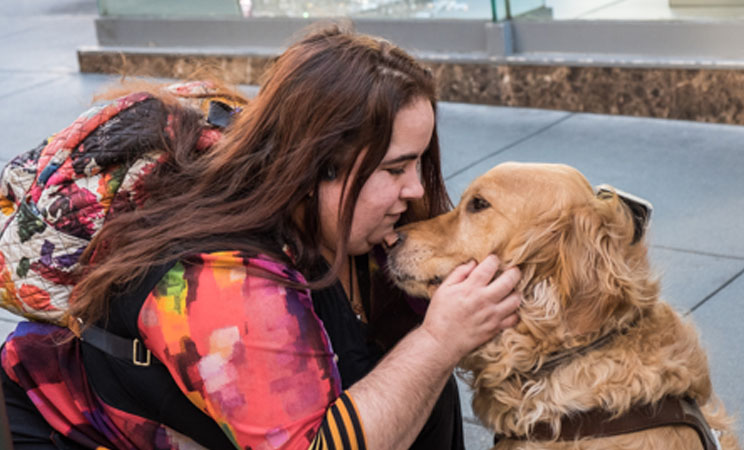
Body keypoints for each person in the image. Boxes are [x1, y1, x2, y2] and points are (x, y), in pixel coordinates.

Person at [1, 25, 521, 449]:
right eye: (395, 169)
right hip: (60, 428)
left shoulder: (349, 216)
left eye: (419, 162)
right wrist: (438, 342)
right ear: (320, 166)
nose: (414, 190)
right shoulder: (224, 280)